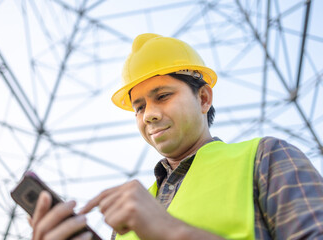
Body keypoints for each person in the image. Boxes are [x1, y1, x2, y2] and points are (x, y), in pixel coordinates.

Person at [30, 33, 323, 240]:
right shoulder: (128, 214)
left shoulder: (266, 158)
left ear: (204, 98)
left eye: (163, 96)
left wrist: (173, 233)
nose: (149, 115)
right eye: (139, 107)